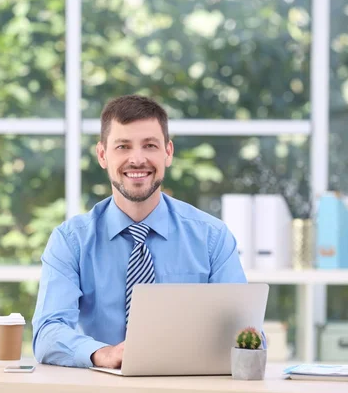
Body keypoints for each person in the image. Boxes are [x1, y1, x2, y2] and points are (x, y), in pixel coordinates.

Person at [32, 95, 246, 369]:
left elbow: (245, 333)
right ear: (102, 155)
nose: (137, 159)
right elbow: (48, 332)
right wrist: (104, 354)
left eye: (150, 145)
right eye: (122, 146)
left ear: (168, 153)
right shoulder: (71, 241)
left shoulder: (212, 238)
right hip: (102, 389)